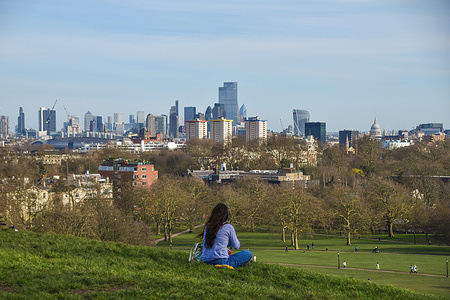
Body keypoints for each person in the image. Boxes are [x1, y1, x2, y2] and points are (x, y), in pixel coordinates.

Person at [199, 203, 252, 269]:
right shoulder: (228, 227)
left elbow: (213, 241)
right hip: (221, 261)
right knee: (248, 253)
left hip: (205, 261)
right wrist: (228, 244)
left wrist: (224, 246)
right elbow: (236, 246)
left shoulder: (208, 226)